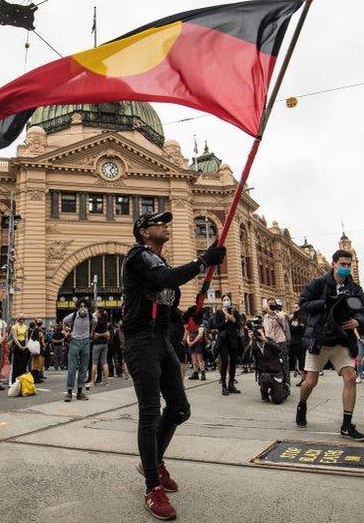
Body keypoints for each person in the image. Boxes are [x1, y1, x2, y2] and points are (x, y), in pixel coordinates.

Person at [121, 210, 226, 520]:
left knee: (180, 408)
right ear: (142, 232)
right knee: (150, 412)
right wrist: (203, 261)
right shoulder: (139, 256)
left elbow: (164, 301)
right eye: (157, 222)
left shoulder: (162, 262)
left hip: (161, 340)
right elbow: (165, 280)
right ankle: (152, 487)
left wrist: (186, 314)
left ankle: (153, 460)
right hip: (139, 341)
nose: (164, 225)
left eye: (166, 221)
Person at [295, 249, 364, 442]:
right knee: (310, 381)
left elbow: (362, 309)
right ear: (333, 264)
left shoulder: (354, 288)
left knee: (350, 377)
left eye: (348, 265)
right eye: (342, 264)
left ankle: (346, 424)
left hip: (343, 340)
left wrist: (357, 322)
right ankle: (302, 404)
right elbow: (303, 303)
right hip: (320, 338)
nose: (345, 268)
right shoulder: (319, 283)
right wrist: (324, 304)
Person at [211, 293, 243, 395]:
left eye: (228, 299)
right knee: (224, 361)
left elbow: (239, 326)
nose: (226, 301)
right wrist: (226, 320)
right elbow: (217, 326)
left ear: (231, 300)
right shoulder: (219, 313)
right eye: (224, 299)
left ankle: (231, 384)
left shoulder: (235, 312)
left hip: (233, 339)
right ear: (222, 301)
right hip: (223, 340)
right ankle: (224, 385)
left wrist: (232, 318)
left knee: (233, 362)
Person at [62, 303, 92, 401]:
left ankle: (80, 392)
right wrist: (66, 331)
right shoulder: (73, 316)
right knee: (72, 368)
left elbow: (95, 322)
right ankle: (69, 393)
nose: (83, 308)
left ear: (88, 308)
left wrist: (91, 333)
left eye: (85, 306)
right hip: (74, 341)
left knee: (84, 368)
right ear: (78, 308)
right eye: (81, 307)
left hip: (86, 342)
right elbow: (64, 321)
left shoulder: (91, 317)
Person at [262, 298, 290, 387]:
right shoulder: (265, 317)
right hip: (270, 343)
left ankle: (286, 383)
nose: (270, 305)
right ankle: (274, 383)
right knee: (271, 363)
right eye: (269, 303)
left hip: (280, 342)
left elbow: (281, 320)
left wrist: (271, 312)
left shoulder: (280, 314)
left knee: (283, 363)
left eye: (272, 303)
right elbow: (266, 330)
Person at [89, 308, 112, 387]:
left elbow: (92, 316)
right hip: (104, 344)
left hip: (96, 344)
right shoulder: (105, 321)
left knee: (94, 363)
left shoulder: (96, 322)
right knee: (104, 363)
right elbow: (107, 334)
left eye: (97, 313)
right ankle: (106, 382)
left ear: (99, 314)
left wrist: (95, 313)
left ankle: (92, 381)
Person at [185, 309, 206, 380]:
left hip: (198, 343)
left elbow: (200, 334)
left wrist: (193, 342)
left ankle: (203, 373)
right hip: (191, 344)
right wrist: (188, 342)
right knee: (193, 359)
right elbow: (187, 334)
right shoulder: (190, 323)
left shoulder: (200, 323)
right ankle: (195, 373)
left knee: (199, 359)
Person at [9, 315, 30, 387]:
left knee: (23, 364)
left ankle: (23, 382)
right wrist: (20, 346)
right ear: (18, 319)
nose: (22, 320)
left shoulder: (26, 327)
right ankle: (14, 382)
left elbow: (26, 337)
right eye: (21, 319)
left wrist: (26, 345)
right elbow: (14, 338)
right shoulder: (14, 327)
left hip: (24, 344)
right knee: (16, 364)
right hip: (17, 345)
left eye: (23, 319)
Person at [288, 302, 307, 380]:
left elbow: (303, 327)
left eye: (297, 307)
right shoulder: (292, 318)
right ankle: (303, 377)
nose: (295, 309)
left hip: (301, 341)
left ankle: (304, 378)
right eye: (294, 307)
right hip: (293, 341)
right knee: (297, 360)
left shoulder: (303, 317)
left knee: (302, 360)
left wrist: (298, 325)